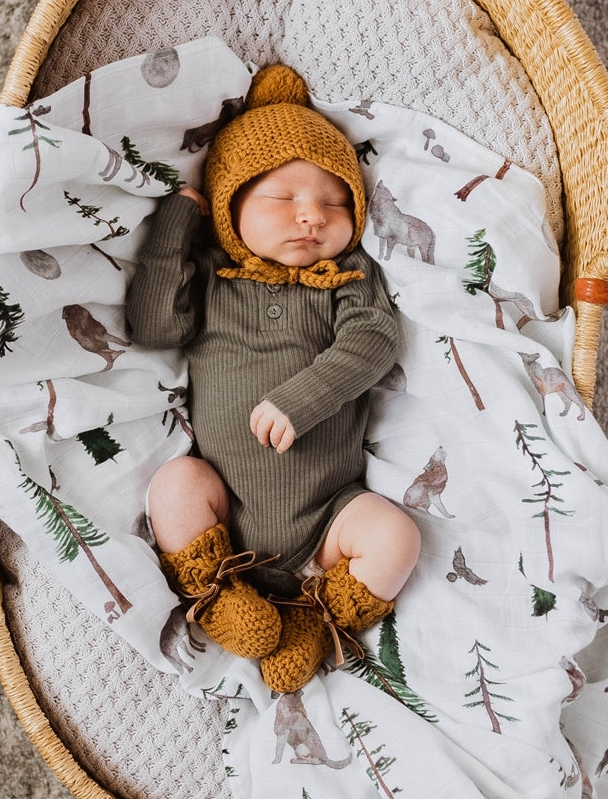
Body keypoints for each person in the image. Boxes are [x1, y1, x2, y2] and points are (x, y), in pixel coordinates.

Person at [127, 65, 421, 693]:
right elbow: (153, 327)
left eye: (334, 201)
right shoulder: (214, 273)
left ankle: (316, 618)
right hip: (224, 508)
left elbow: (373, 341)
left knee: (395, 536)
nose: (311, 216)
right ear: (231, 208)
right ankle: (219, 594)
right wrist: (175, 228)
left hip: (329, 520)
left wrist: (303, 398)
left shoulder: (348, 276)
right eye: (283, 199)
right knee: (175, 484)